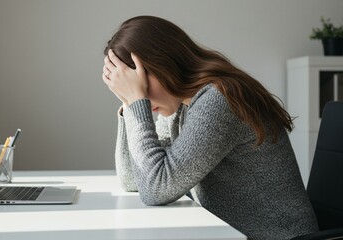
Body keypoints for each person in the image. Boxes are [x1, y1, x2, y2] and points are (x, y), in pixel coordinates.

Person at [101, 16, 318, 240]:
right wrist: (129, 105)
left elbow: (156, 188)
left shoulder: (219, 99)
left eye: (139, 82)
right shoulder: (179, 105)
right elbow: (134, 180)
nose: (142, 93)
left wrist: (138, 101)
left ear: (163, 64)